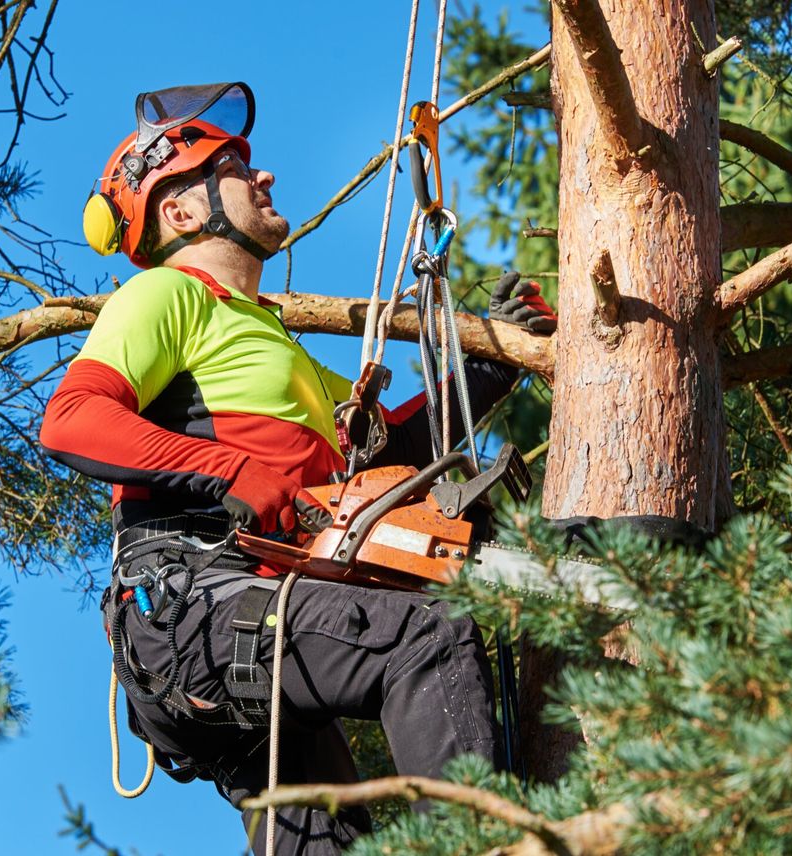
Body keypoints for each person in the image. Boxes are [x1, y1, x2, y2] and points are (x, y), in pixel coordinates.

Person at [40, 82, 556, 855]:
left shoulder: (277, 350)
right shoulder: (165, 296)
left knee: (326, 837)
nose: (265, 177)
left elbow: (384, 463)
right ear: (181, 212)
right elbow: (72, 418)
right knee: (426, 637)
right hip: (195, 604)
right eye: (235, 169)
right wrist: (224, 472)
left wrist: (486, 374)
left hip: (247, 623)